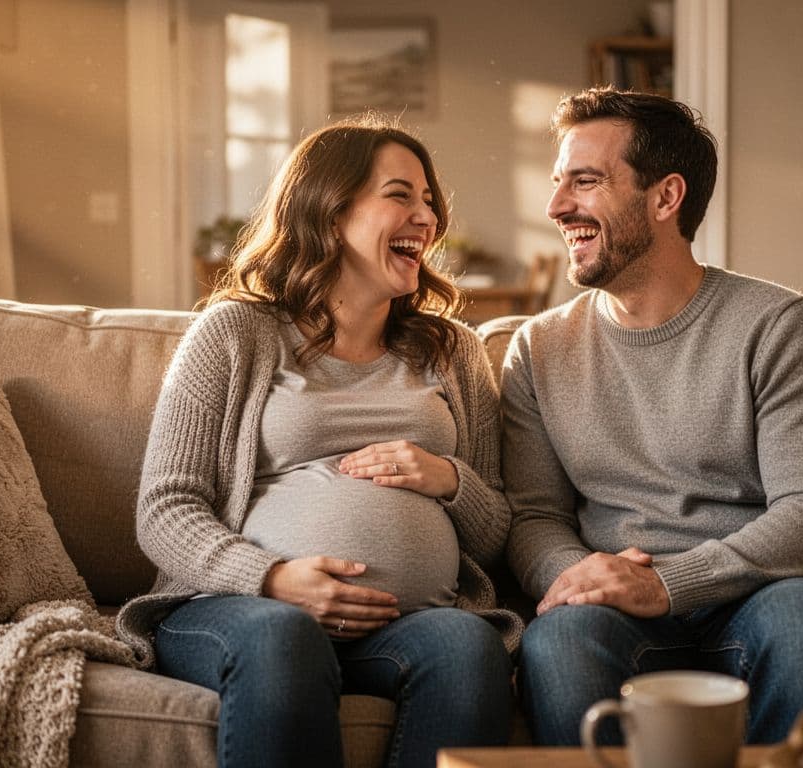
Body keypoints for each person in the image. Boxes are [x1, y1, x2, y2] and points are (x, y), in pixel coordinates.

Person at [115, 117, 520, 768]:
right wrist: (272, 579)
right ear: (330, 212)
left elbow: (499, 528)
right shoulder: (234, 334)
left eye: (429, 200)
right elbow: (165, 510)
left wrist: (449, 480)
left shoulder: (453, 352)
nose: (428, 216)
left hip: (413, 621)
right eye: (401, 194)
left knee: (468, 649)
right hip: (240, 608)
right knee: (283, 640)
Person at [502, 87, 803, 746]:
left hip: (766, 593)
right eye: (559, 184)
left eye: (584, 183)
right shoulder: (538, 348)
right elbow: (533, 516)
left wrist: (668, 584)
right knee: (559, 638)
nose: (557, 207)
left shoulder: (777, 326)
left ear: (665, 198)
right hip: (616, 610)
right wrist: (576, 577)